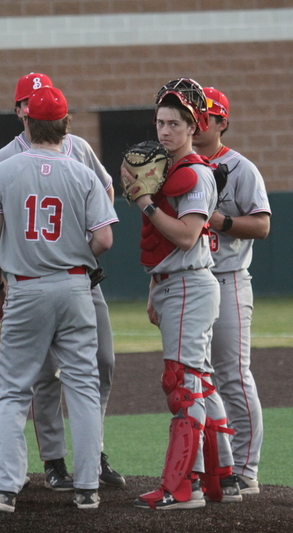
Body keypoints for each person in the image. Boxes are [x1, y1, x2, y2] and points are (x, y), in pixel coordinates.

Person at [0, 72, 124, 490]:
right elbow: (106, 233)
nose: (30, 105)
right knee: (46, 377)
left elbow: (105, 192)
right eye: (26, 98)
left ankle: (88, 460)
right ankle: (57, 462)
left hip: (66, 280)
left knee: (100, 365)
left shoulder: (79, 151)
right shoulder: (5, 159)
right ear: (20, 109)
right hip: (50, 278)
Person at [121, 78, 241, 510]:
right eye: (160, 121)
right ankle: (222, 478)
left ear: (194, 127)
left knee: (182, 385)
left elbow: (187, 237)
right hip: (177, 286)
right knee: (200, 384)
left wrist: (144, 202)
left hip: (190, 283)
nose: (165, 131)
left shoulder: (193, 173)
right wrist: (156, 289)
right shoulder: (171, 168)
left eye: (175, 123)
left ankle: (181, 487)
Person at [192, 87, 271, 496]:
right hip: (189, 282)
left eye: (208, 115)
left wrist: (220, 221)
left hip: (228, 280)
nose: (200, 121)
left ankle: (245, 467)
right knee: (194, 379)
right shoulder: (181, 164)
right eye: (195, 114)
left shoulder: (241, 168)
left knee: (233, 376)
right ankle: (212, 465)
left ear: (223, 122)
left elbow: (261, 225)